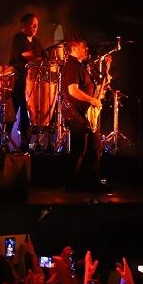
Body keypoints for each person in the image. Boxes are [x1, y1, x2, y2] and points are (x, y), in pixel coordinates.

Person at [59, 37, 104, 190]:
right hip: (77, 114)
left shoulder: (79, 66)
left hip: (84, 115)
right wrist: (92, 100)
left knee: (93, 147)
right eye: (82, 46)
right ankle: (72, 184)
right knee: (81, 149)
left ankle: (88, 182)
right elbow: (73, 90)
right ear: (73, 48)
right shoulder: (72, 66)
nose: (86, 49)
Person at [8, 13, 41, 149]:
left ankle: (24, 145)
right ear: (25, 25)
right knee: (12, 113)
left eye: (37, 26)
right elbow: (27, 56)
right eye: (33, 25)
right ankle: (3, 141)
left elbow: (43, 56)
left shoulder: (37, 42)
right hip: (18, 81)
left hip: (31, 85)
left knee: (27, 114)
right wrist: (37, 59)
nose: (35, 28)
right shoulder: (19, 38)